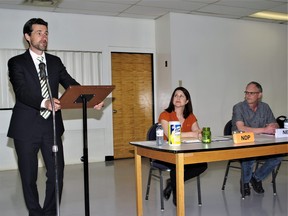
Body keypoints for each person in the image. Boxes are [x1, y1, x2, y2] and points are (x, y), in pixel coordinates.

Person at [7, 18, 104, 216]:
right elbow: (22, 91)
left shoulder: (54, 62)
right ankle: (35, 212)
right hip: (25, 128)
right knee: (28, 177)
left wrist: (91, 99)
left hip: (50, 127)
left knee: (57, 174)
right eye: (39, 32)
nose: (44, 37)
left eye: (46, 33)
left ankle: (50, 212)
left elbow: (71, 85)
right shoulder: (16, 62)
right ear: (27, 36)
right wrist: (45, 102)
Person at [158, 87, 208, 206]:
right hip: (167, 153)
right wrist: (191, 134)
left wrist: (195, 135)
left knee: (203, 165)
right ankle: (177, 197)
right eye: (176, 95)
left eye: (181, 96)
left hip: (186, 152)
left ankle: (172, 183)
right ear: (172, 99)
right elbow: (170, 135)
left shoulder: (190, 116)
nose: (178, 98)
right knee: (177, 166)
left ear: (187, 101)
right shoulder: (165, 115)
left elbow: (198, 134)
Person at [232, 81, 282, 197]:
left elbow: (275, 125)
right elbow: (241, 128)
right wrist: (264, 130)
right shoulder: (238, 107)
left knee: (278, 156)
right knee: (250, 155)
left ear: (259, 95)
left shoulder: (265, 107)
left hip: (262, 143)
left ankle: (256, 177)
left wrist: (272, 127)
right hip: (241, 143)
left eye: (251, 93)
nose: (248, 95)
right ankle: (245, 182)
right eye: (246, 92)